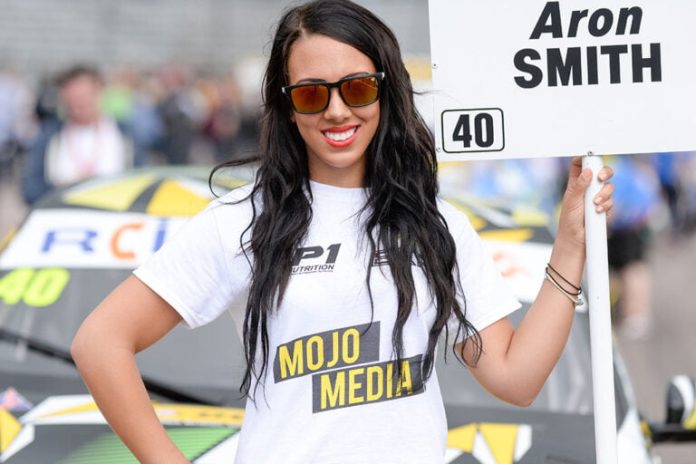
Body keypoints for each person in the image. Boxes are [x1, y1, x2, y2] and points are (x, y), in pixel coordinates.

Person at [70, 1, 615, 463]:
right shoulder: (243, 221)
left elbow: (516, 379)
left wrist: (570, 244)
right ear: (286, 105)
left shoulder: (434, 224)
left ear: (385, 91)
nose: (336, 111)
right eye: (311, 94)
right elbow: (99, 343)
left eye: (356, 88)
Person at [21, 65, 145, 205]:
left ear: (99, 92)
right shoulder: (49, 135)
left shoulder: (124, 134)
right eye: (74, 100)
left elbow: (141, 181)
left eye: (85, 97)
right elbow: (30, 188)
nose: (80, 105)